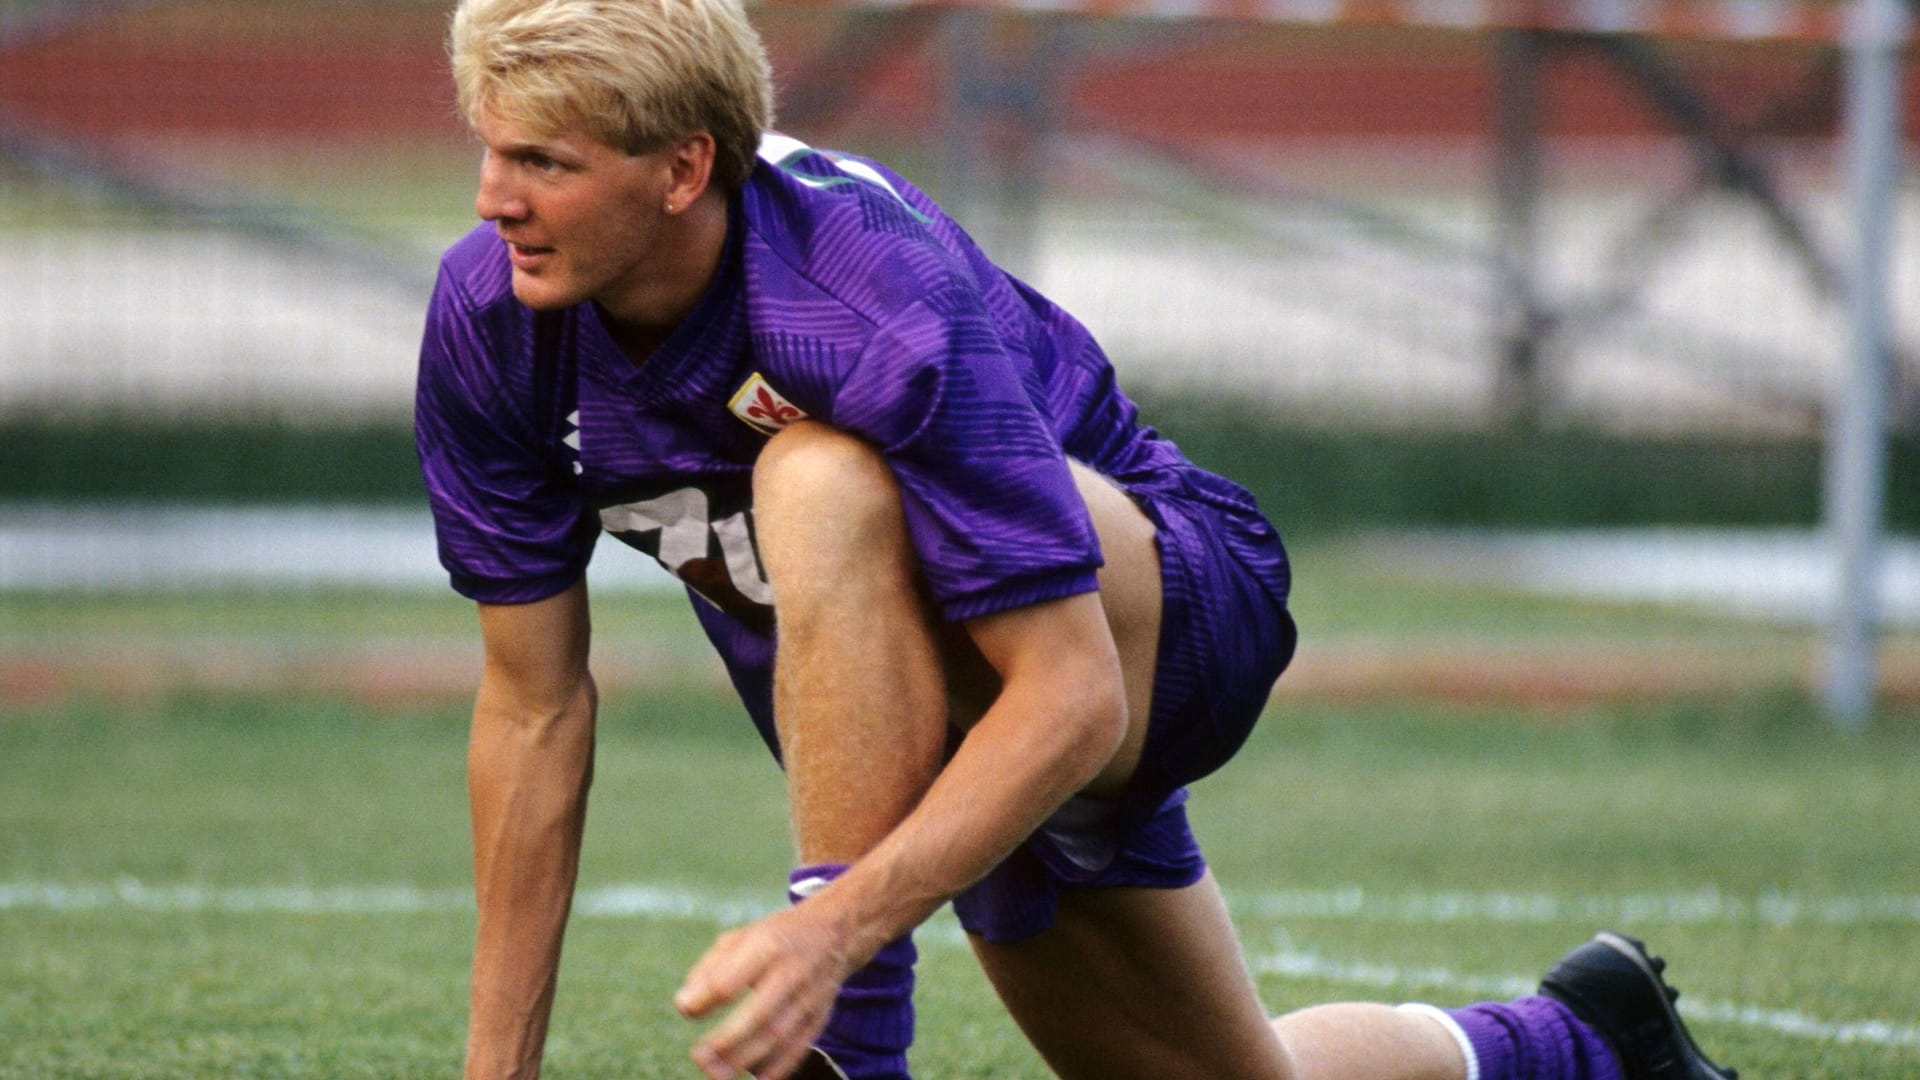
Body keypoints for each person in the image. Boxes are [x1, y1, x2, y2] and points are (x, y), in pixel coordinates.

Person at [416, 1, 1742, 1079]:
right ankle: (1575, 1039)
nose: (492, 200)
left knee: (814, 478)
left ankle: (850, 1054)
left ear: (683, 168)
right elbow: (532, 714)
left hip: (1151, 613)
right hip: (951, 701)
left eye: (544, 162)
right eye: (490, 149)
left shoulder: (850, 289)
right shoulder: (491, 320)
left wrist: (834, 946)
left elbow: (1071, 692)